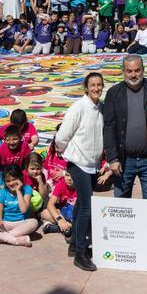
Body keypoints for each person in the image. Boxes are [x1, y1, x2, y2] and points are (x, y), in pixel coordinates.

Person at [55, 72, 107, 271]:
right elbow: (62, 135)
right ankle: (80, 252)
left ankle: (75, 241)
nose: (96, 88)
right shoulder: (78, 107)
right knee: (87, 206)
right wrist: (67, 152)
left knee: (80, 205)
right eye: (93, 85)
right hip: (78, 163)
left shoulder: (100, 108)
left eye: (99, 85)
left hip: (92, 163)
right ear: (86, 87)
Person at [102, 54, 147, 199]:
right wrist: (112, 159)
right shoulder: (114, 93)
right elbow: (109, 127)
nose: (133, 75)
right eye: (129, 71)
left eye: (137, 70)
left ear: (143, 70)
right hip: (124, 160)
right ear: (123, 71)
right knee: (122, 205)